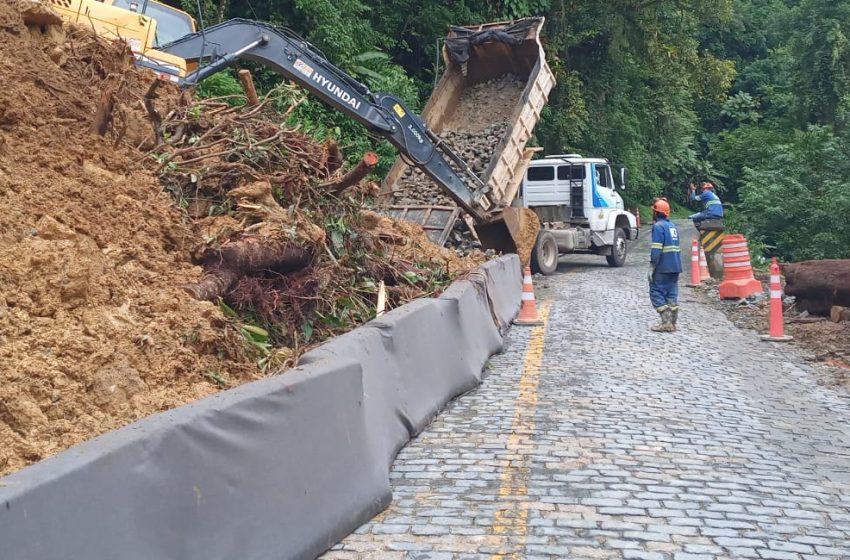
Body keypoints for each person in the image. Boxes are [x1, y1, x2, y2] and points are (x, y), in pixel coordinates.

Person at [649, 199, 681, 332]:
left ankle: (666, 323)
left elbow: (656, 248)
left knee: (656, 291)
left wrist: (652, 265)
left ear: (656, 213)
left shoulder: (658, 227)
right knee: (671, 293)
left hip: (663, 266)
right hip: (675, 266)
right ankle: (673, 323)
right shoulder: (673, 226)